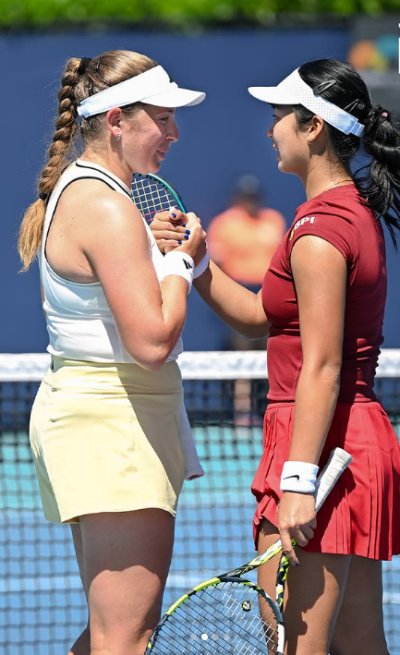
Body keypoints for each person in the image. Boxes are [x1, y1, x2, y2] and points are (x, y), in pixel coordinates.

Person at [150, 59, 400, 654]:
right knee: (361, 645)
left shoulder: (319, 230)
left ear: (313, 127)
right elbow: (263, 317)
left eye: (279, 116)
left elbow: (322, 366)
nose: (270, 129)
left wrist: (298, 481)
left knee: (292, 648)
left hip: (319, 445)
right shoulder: (343, 214)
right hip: (350, 441)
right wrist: (198, 261)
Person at [18, 50, 208, 655]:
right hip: (114, 424)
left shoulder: (94, 195)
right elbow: (152, 342)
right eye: (163, 118)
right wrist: (180, 264)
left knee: (116, 634)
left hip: (106, 418)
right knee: (127, 636)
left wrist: (160, 254)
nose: (174, 133)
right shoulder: (105, 204)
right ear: (118, 120)